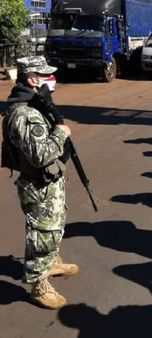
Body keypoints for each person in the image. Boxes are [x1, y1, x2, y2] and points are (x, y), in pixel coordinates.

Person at [3, 56, 78, 309]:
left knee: (55, 226)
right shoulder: (23, 113)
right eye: (45, 75)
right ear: (32, 79)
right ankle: (39, 285)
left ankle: (52, 261)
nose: (51, 80)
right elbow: (39, 155)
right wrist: (61, 132)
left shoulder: (36, 104)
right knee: (41, 234)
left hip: (49, 182)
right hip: (38, 185)